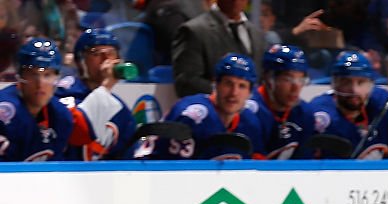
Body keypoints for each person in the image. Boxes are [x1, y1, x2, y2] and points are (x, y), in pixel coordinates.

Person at [0, 38, 121, 161]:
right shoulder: (5, 110)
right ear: (20, 77)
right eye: (32, 74)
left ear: (57, 78)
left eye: (47, 75)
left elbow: (82, 133)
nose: (40, 83)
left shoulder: (60, 116)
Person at [148, 53, 265, 160]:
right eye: (228, 83)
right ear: (216, 85)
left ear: (250, 92)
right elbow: (174, 172)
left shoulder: (250, 122)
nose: (234, 92)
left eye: (242, 86)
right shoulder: (193, 117)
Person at [56, 28, 137, 160]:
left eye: (111, 53)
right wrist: (107, 85)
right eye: (96, 53)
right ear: (81, 61)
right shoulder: (63, 94)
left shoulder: (121, 111)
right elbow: (76, 130)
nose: (106, 59)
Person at [172, 0, 266, 97]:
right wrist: (226, 92)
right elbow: (186, 83)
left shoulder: (257, 34)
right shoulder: (194, 31)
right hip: (211, 109)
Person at [309, 50, 388, 158]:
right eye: (346, 82)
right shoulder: (322, 114)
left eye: (361, 82)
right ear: (334, 84)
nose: (354, 90)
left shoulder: (384, 103)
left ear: (371, 85)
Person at [252, 44, 314, 160]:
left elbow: (304, 166)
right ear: (268, 79)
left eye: (301, 79)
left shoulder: (304, 113)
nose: (296, 87)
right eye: (287, 79)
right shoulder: (250, 112)